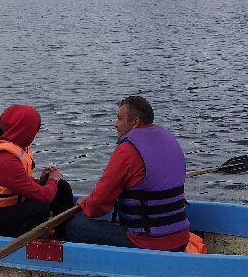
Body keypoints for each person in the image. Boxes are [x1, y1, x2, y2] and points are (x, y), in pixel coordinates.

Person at [65, 96, 190, 251]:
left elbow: (98, 205)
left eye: (119, 118)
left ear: (135, 122)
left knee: (74, 225)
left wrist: (84, 203)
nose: (115, 124)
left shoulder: (127, 150)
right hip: (182, 238)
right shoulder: (170, 140)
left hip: (148, 243)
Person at [0, 104, 73, 237]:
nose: (35, 134)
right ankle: (31, 248)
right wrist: (53, 179)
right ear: (25, 130)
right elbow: (44, 197)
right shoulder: (5, 160)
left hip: (6, 209)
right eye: (34, 130)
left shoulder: (11, 144)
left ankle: (63, 236)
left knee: (62, 187)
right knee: (39, 208)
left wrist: (42, 181)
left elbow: (13, 184)